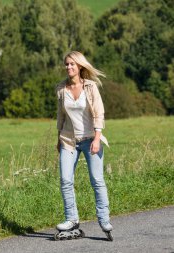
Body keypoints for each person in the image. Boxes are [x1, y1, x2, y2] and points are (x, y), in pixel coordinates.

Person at [55, 51, 113, 234]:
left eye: (72, 64)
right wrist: (58, 139)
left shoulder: (90, 87)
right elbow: (61, 116)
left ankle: (104, 220)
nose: (69, 67)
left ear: (80, 66)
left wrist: (97, 138)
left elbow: (99, 113)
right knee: (65, 180)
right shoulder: (61, 89)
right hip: (68, 141)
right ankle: (71, 219)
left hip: (90, 140)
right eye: (66, 64)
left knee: (97, 180)